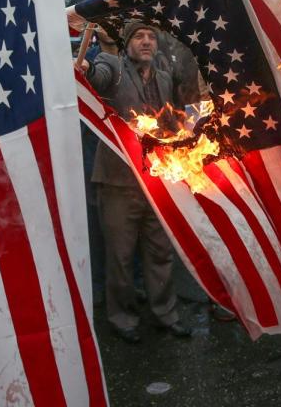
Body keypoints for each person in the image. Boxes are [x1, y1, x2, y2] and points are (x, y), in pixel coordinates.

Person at [81, 21, 191, 343]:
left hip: (156, 183)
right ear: (127, 44)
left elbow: (171, 125)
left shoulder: (164, 77)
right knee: (120, 255)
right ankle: (122, 318)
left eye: (150, 37)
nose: (146, 42)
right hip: (118, 182)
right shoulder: (113, 68)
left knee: (160, 252)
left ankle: (165, 313)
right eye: (138, 37)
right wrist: (85, 65)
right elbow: (96, 76)